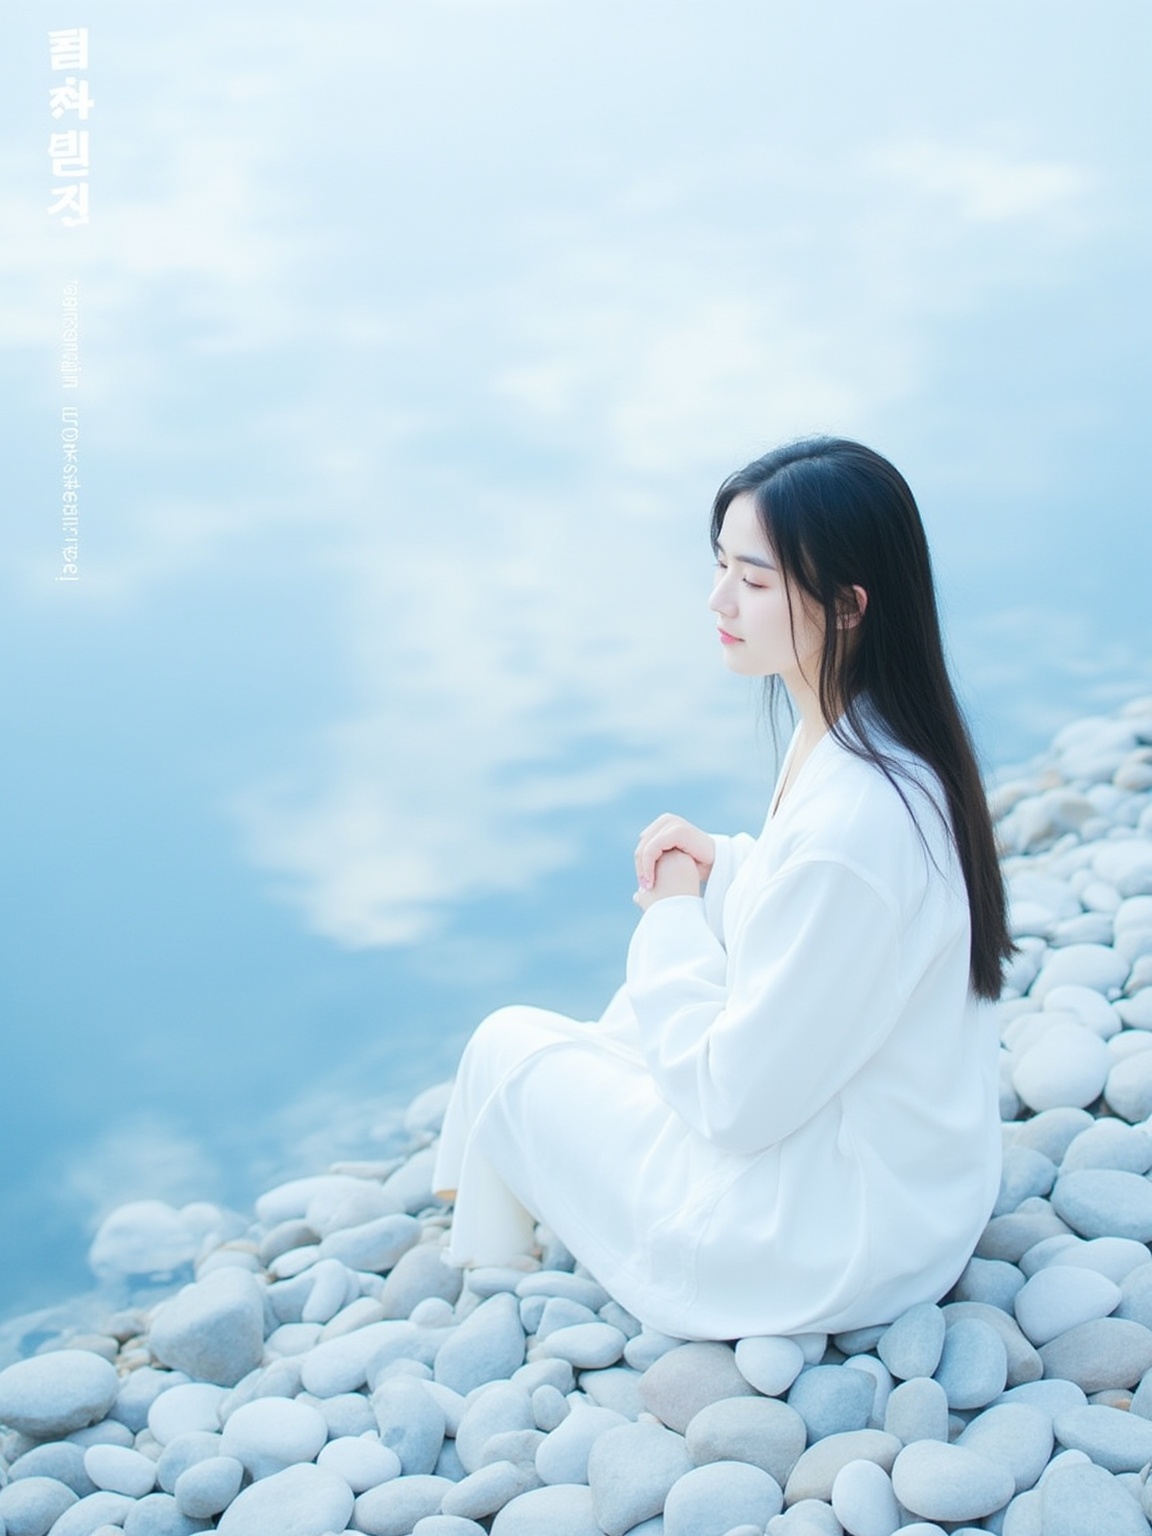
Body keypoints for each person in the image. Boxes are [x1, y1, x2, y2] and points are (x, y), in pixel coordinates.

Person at [432, 436, 1011, 1341]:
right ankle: (508, 1260)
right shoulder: (875, 736)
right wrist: (727, 864)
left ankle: (494, 1282)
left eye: (754, 580)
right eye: (719, 569)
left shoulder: (856, 817)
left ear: (849, 605)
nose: (717, 601)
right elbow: (824, 913)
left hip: (830, 1245)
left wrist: (669, 917)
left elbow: (735, 1107)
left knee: (508, 1045)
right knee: (623, 1027)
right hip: (917, 1187)